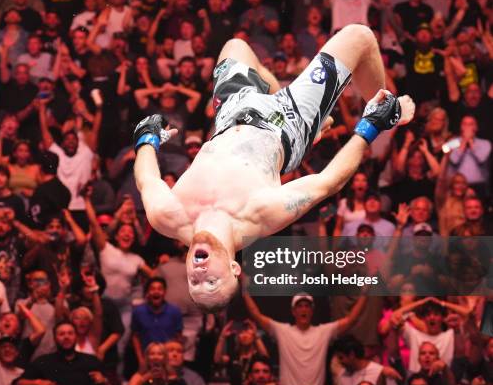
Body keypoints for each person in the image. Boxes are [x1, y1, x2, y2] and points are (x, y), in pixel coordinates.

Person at [133, 26, 415, 311]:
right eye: (212, 283)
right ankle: (385, 107)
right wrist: (371, 125)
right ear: (234, 268)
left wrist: (147, 137)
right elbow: (328, 182)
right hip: (288, 124)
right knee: (360, 37)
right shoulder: (259, 216)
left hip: (233, 111)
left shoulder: (167, 216)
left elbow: (147, 180)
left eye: (195, 284)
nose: (200, 276)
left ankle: (284, 97)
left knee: (235, 45)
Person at [244, 292, 366, 385]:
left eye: (307, 306)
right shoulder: (282, 331)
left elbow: (351, 319)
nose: (304, 309)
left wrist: (366, 291)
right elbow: (257, 315)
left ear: (312, 311)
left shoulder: (323, 332)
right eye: (300, 306)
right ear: (293, 311)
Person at [12, 321, 112, 385]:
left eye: (70, 333)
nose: (66, 337)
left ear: (76, 337)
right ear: (55, 338)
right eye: (61, 334)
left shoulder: (91, 361)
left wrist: (104, 382)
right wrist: (37, 383)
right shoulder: (43, 362)